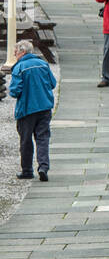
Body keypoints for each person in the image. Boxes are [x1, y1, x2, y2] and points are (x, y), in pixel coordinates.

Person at [4, 39, 57, 180]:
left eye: (15, 52)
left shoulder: (19, 67)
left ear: (22, 52)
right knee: (42, 139)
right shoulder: (43, 64)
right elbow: (52, 83)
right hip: (45, 107)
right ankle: (43, 167)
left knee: (26, 141)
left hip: (26, 110)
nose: (15, 55)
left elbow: (15, 91)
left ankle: (27, 170)